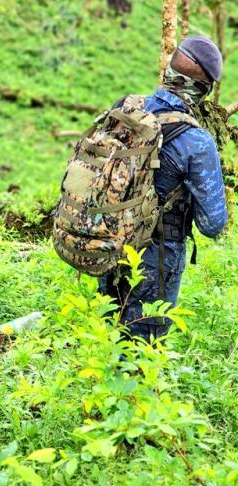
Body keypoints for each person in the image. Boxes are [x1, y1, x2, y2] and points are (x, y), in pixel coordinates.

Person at [99, 36, 228, 343]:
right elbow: (213, 224)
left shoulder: (126, 107)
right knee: (145, 346)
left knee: (108, 337)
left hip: (108, 241)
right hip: (156, 257)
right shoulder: (196, 142)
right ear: (203, 90)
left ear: (169, 72)